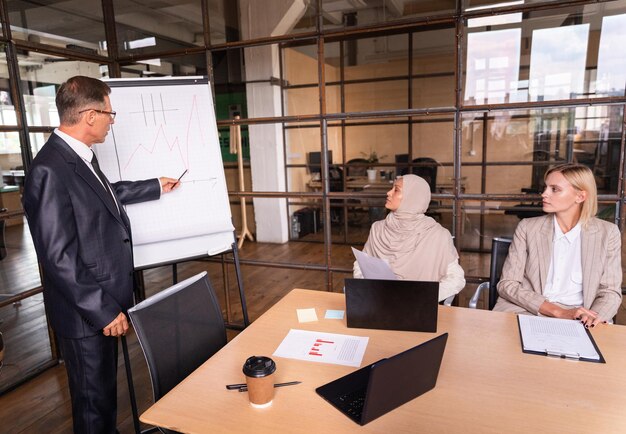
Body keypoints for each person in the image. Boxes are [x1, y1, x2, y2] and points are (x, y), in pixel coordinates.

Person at [23, 76, 180, 433]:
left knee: (104, 397)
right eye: (110, 113)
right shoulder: (49, 169)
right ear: (91, 115)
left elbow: (105, 194)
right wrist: (103, 309)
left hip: (100, 304)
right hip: (86, 314)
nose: (112, 120)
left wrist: (155, 186)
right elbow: (57, 256)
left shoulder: (76, 156)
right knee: (94, 406)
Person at [494, 163, 622, 327]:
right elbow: (507, 284)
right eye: (546, 187)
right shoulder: (527, 227)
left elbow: (610, 291)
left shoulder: (608, 233)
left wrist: (591, 318)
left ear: (580, 196)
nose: (544, 194)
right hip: (527, 310)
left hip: (581, 317)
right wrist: (558, 312)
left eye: (554, 189)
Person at [353, 174, 465, 301]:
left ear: (413, 197)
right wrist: (369, 289)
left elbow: (456, 278)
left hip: (419, 309)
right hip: (379, 303)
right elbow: (361, 265)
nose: (389, 193)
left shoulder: (437, 235)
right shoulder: (377, 229)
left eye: (396, 190)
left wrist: (424, 297)